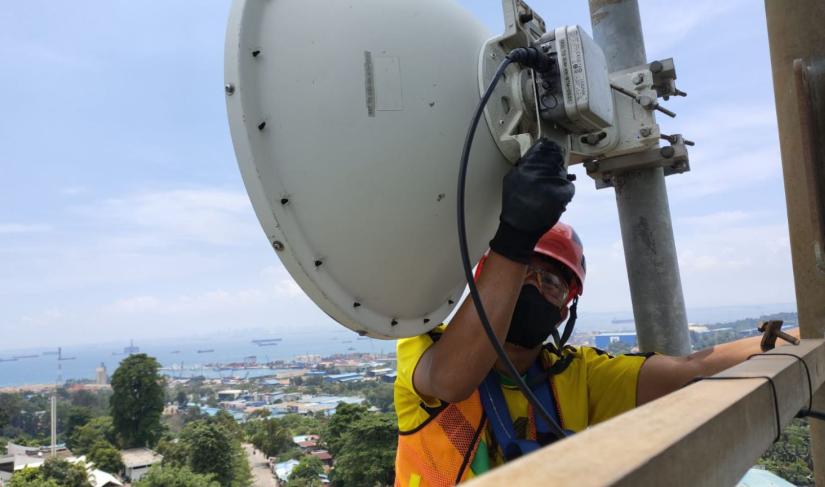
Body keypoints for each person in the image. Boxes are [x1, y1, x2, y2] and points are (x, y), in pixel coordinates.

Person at [393, 139, 799, 486]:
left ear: (567, 304)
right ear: (491, 276)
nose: (534, 287)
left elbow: (693, 369)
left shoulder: (577, 375)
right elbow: (451, 381)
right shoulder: (427, 348)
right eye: (523, 272)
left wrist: (803, 335)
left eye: (552, 281)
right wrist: (513, 236)